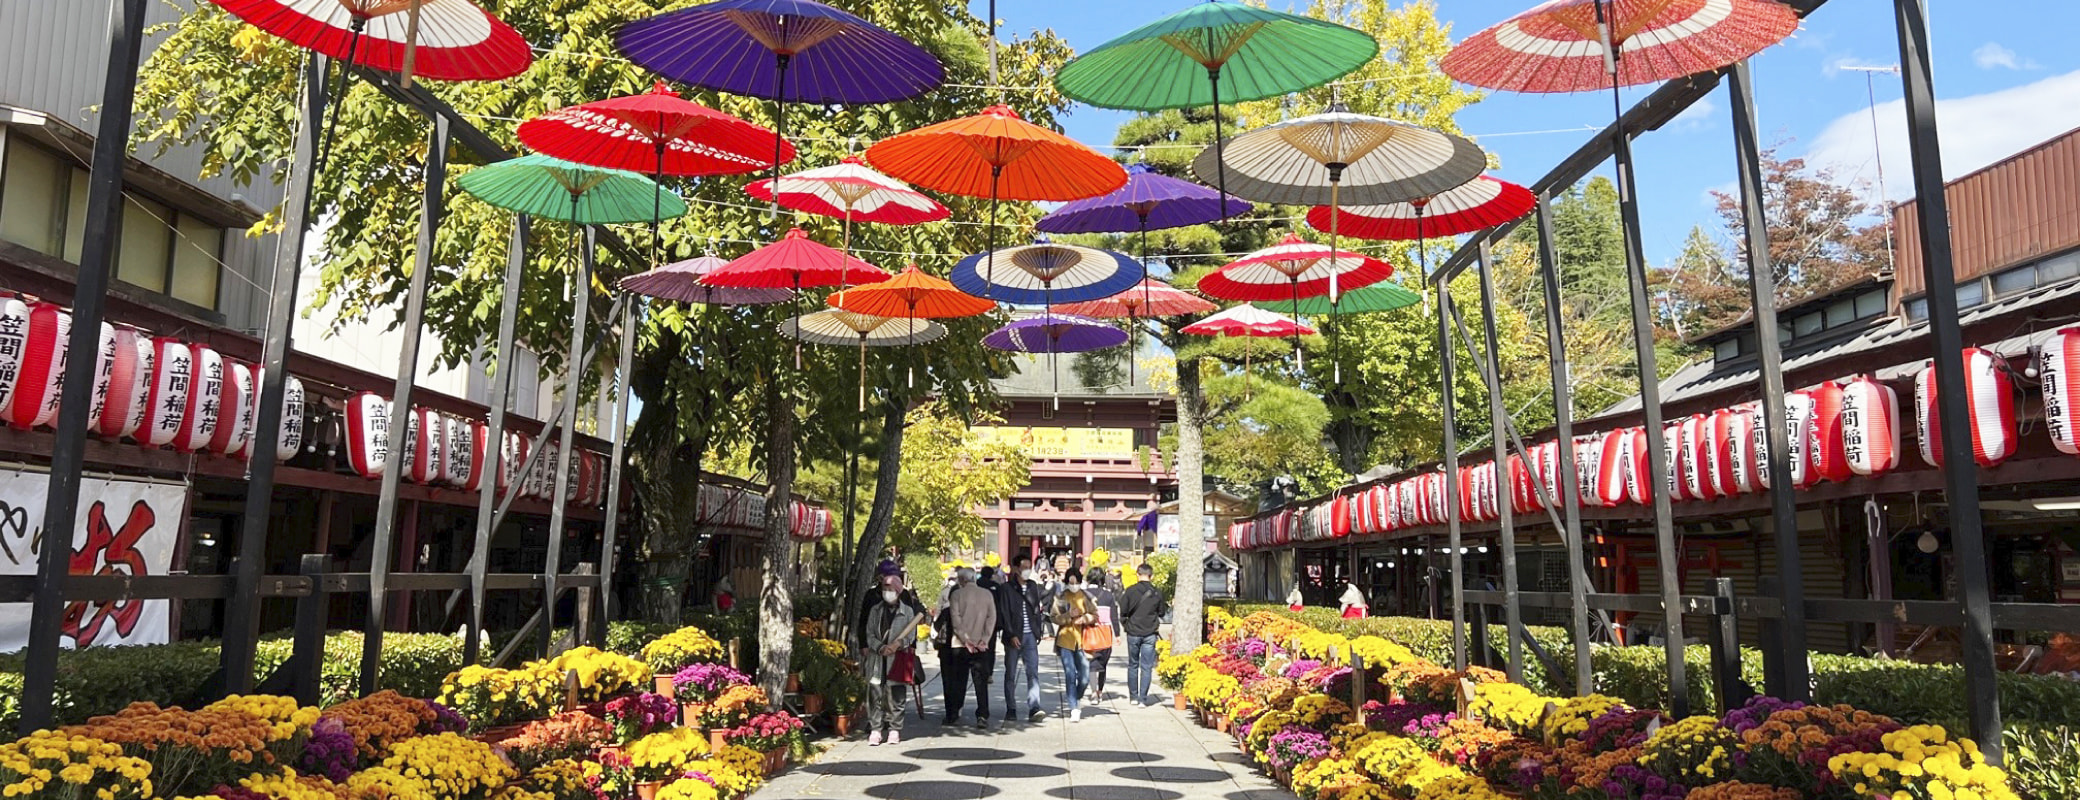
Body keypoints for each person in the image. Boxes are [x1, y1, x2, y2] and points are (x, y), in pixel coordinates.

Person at [859, 573, 919, 745]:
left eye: (891, 589)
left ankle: (895, 729)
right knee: (875, 694)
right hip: (877, 659)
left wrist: (898, 644)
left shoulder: (907, 611)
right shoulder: (875, 610)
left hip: (897, 659)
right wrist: (880, 647)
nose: (887, 592)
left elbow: (911, 636)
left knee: (897, 696)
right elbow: (869, 633)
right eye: (885, 589)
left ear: (898, 592)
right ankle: (876, 729)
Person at [940, 567, 998, 728]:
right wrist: (985, 639)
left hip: (960, 644)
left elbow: (956, 620)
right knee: (981, 682)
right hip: (980, 644)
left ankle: (954, 714)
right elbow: (991, 618)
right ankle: (982, 714)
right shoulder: (987, 594)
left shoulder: (957, 595)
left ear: (961, 580)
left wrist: (965, 640)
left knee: (958, 680)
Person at [997, 554, 1047, 722]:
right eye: (1024, 567)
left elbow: (1036, 610)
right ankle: (1011, 708)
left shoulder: (1033, 586)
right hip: (1014, 635)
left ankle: (1034, 706)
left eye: (1029, 568)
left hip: (1030, 635)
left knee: (1032, 672)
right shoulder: (1007, 588)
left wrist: (1038, 631)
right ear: (1016, 569)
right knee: (1010, 674)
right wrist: (1010, 634)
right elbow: (1004, 612)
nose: (1027, 571)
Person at [1051, 568, 1099, 722]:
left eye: (1076, 582)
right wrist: (1068, 616)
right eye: (1070, 582)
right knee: (1070, 674)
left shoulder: (1086, 596)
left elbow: (1095, 615)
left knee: (1084, 677)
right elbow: (1054, 617)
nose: (1073, 585)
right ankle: (1073, 707)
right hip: (1065, 640)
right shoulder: (1061, 597)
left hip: (1082, 641)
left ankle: (1077, 697)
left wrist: (1085, 618)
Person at [1118, 562, 1169, 706]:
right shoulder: (1157, 592)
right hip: (1150, 632)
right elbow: (1162, 612)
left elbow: (1123, 611)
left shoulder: (1130, 591)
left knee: (1133, 665)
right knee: (1146, 666)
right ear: (1151, 576)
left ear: (1137, 574)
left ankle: (1133, 696)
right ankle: (1143, 698)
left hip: (1133, 631)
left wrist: (1126, 625)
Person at [1082, 570, 1122, 704]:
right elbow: (1114, 617)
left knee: (1092, 664)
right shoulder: (1108, 595)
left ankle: (1093, 693)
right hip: (1105, 633)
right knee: (1103, 664)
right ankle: (1100, 690)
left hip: (1088, 632)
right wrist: (1117, 634)